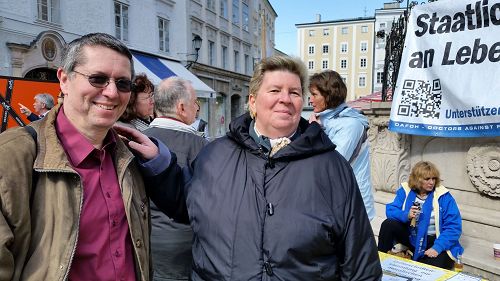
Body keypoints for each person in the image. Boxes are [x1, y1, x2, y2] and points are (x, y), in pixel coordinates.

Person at [150, 56, 382, 280]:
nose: (285, 99)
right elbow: (187, 205)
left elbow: (360, 261)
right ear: (253, 101)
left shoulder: (333, 167)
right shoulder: (214, 154)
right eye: (274, 90)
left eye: (294, 92)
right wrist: (158, 165)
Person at [0, 32, 176, 281]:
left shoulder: (132, 155)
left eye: (123, 83)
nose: (112, 93)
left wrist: (160, 162)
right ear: (64, 79)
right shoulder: (11, 156)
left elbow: (186, 205)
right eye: (98, 79)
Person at [143, 77, 208, 280]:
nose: (197, 108)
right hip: (186, 253)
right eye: (196, 102)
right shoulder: (203, 148)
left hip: (143, 248)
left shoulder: (137, 141)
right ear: (181, 107)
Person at [308, 70, 375, 221]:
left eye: (315, 94)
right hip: (331, 201)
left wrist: (316, 133)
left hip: (351, 206)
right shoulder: (324, 121)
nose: (310, 100)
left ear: (328, 95)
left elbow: (334, 162)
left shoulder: (351, 124)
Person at [378, 161, 463, 270]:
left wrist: (438, 247)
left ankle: (417, 256)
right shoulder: (406, 191)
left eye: (434, 179)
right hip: (411, 236)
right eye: (427, 179)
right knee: (388, 224)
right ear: (417, 179)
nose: (431, 182)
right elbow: (391, 210)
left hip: (434, 240)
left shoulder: (444, 196)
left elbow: (454, 227)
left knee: (430, 270)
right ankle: (380, 261)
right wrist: (406, 215)